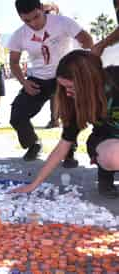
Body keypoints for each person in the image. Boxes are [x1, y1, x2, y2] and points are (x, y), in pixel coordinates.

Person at [12, 50, 119, 199]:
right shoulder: (74, 102)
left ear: (88, 82)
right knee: (114, 155)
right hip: (106, 140)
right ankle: (105, 175)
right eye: (64, 87)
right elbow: (64, 144)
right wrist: (34, 184)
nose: (67, 93)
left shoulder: (115, 80)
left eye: (71, 87)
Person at [8, 0, 93, 167]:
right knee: (17, 115)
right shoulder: (19, 34)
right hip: (37, 79)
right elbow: (13, 63)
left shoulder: (62, 22)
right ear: (20, 17)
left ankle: (69, 152)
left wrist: (82, 66)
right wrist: (24, 83)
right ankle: (34, 144)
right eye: (27, 20)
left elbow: (87, 40)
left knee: (70, 115)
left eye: (36, 17)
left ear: (41, 9)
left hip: (64, 76)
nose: (33, 24)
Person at [43, 1, 60, 128]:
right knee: (54, 94)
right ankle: (54, 119)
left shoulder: (63, 24)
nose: (45, 15)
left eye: (47, 12)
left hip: (65, 65)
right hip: (51, 68)